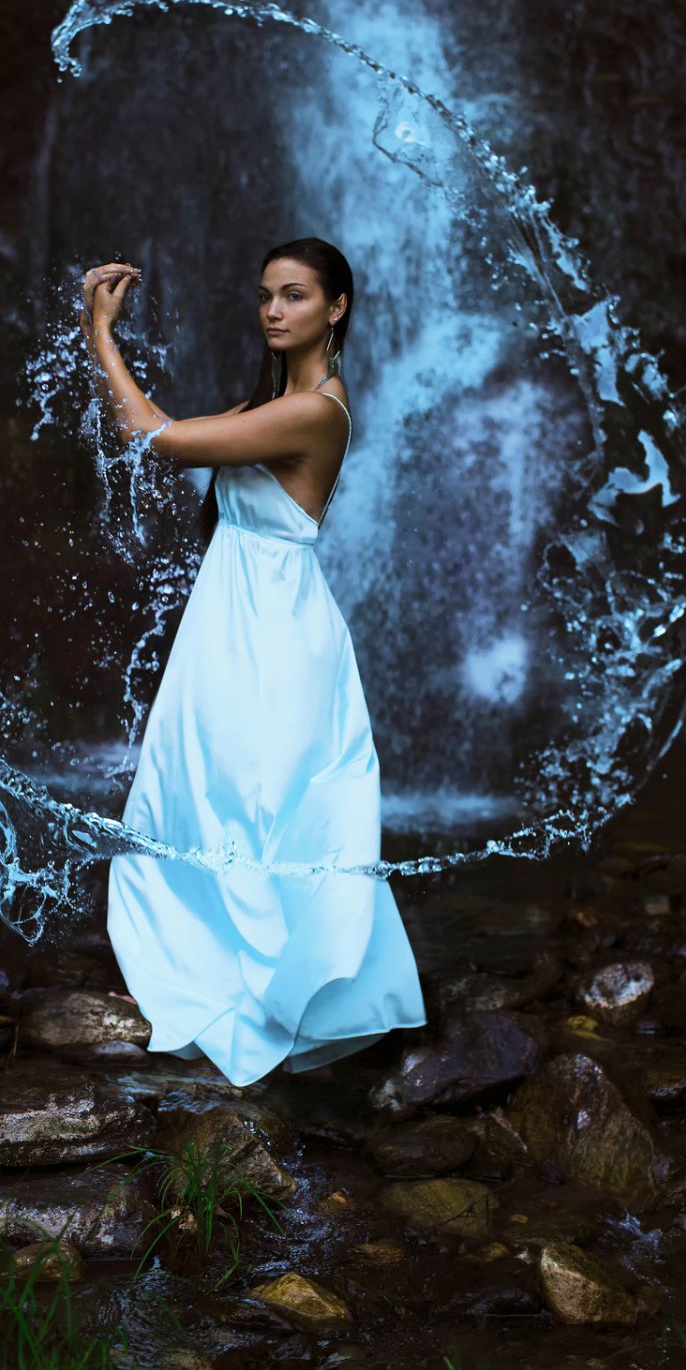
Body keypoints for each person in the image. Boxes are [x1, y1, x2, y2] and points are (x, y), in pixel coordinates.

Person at [80, 236, 426, 1087]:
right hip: (236, 622)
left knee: (266, 803)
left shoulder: (316, 412)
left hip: (276, 633)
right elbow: (167, 433)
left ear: (335, 308)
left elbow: (154, 438)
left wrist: (100, 335)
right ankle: (241, 981)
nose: (274, 310)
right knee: (216, 796)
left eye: (296, 296)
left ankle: (292, 1000)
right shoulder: (277, 400)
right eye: (267, 294)